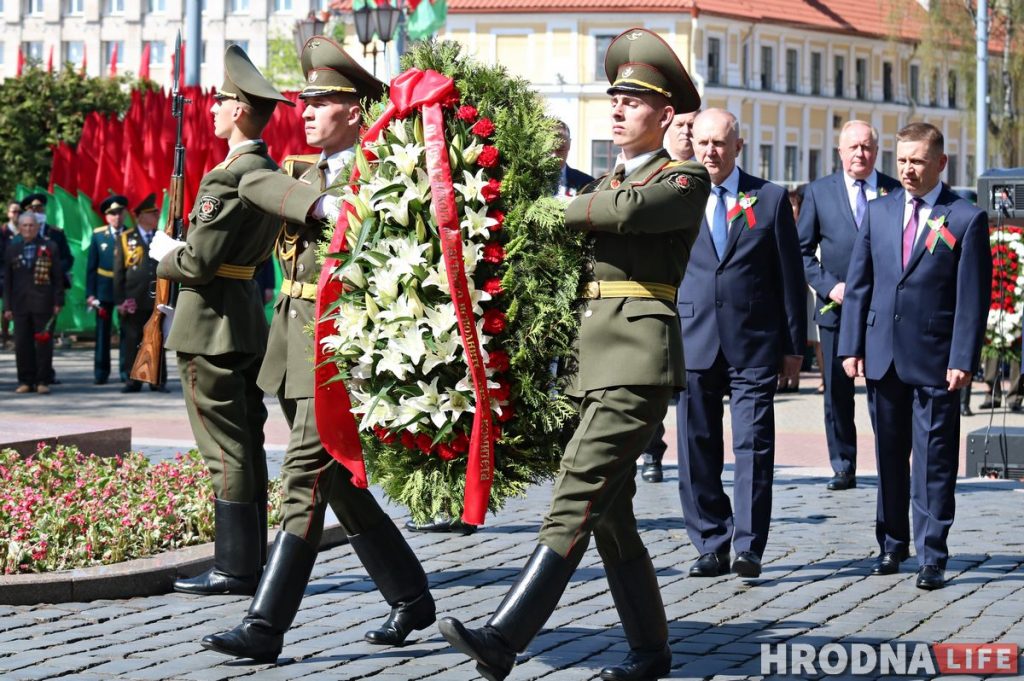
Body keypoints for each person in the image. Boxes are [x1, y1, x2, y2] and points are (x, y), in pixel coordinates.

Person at [439, 28, 709, 681]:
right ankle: (651, 651)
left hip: (638, 361)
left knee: (575, 494)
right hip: (592, 362)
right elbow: (593, 215)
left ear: (666, 114)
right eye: (614, 98)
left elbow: (624, 211)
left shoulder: (684, 177)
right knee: (612, 519)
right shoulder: (611, 178)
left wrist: (566, 206)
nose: (617, 109)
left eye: (633, 101)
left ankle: (505, 635)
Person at [200, 35, 435, 663]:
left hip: (339, 351)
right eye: (303, 101)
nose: (305, 111)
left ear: (354, 111)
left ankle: (265, 625)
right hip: (290, 347)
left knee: (303, 477)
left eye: (322, 101)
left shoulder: (386, 175)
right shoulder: (303, 174)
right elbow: (259, 188)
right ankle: (411, 594)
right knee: (337, 484)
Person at [148, 45, 294, 596]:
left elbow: (198, 263)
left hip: (208, 326)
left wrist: (164, 254)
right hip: (244, 321)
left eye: (220, 101)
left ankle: (234, 568)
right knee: (247, 442)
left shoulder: (226, 178)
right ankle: (248, 561)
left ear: (238, 111)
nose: (211, 108)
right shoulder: (266, 171)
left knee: (224, 448)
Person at [838, 122, 990, 590]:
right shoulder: (879, 212)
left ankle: (932, 553)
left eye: (917, 161)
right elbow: (860, 283)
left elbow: (972, 298)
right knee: (888, 456)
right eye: (902, 159)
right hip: (883, 356)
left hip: (936, 359)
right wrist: (850, 346)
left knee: (934, 460)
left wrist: (962, 356)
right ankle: (891, 543)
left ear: (941, 164)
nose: (907, 169)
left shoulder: (964, 218)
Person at [675, 108, 805, 580]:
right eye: (703, 142)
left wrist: (794, 349)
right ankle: (711, 541)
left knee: (754, 443)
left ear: (738, 147)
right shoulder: (678, 196)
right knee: (696, 446)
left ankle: (749, 545)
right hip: (692, 339)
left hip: (754, 342)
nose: (710, 151)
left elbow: (790, 278)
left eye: (720, 143)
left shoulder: (768, 200)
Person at [797, 121, 901, 491]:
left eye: (868, 147)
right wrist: (830, 287)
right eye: (853, 147)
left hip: (882, 312)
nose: (861, 153)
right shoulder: (819, 192)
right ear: (839, 152)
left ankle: (891, 464)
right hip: (836, 309)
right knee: (838, 393)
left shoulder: (894, 190)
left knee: (883, 391)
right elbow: (802, 252)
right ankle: (843, 464)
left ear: (877, 150)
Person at [637, 107, 701, 484]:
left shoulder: (702, 177)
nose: (688, 133)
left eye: (695, 126)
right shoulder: (651, 176)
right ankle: (651, 452)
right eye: (682, 126)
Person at [3, 212, 64, 394]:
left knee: (43, 344)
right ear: (20, 228)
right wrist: (7, 307)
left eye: (32, 225)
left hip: (43, 304)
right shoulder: (12, 249)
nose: (28, 229)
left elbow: (58, 277)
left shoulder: (50, 246)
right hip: (20, 305)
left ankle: (42, 381)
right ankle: (25, 381)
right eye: (25, 226)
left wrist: (58, 301)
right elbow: (8, 281)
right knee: (22, 344)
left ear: (37, 227)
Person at [115, 194, 167, 393]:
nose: (156, 215)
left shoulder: (161, 237)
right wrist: (120, 301)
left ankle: (157, 380)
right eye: (152, 213)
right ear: (141, 216)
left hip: (156, 298)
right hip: (133, 299)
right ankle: (133, 380)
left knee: (156, 339)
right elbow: (119, 272)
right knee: (132, 340)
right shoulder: (126, 238)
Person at [86, 194, 128, 385]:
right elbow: (91, 268)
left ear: (125, 214)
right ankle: (101, 372)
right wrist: (90, 294)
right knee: (102, 333)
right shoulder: (98, 235)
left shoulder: (131, 235)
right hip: (103, 290)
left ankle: (126, 372)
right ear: (106, 217)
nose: (117, 217)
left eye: (120, 213)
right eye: (112, 214)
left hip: (125, 291)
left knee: (127, 333)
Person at [553, 119, 595, 197]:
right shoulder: (527, 182)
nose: (554, 155)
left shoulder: (587, 184)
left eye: (560, 149)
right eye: (548, 150)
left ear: (569, 145)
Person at [0, 201, 20, 349]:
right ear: (8, 213)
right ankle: (4, 336)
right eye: (13, 211)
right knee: (5, 307)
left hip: (20, 273)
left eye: (19, 212)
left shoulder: (25, 230)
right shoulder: (3, 232)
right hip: (3, 274)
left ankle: (16, 336)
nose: (16, 214)